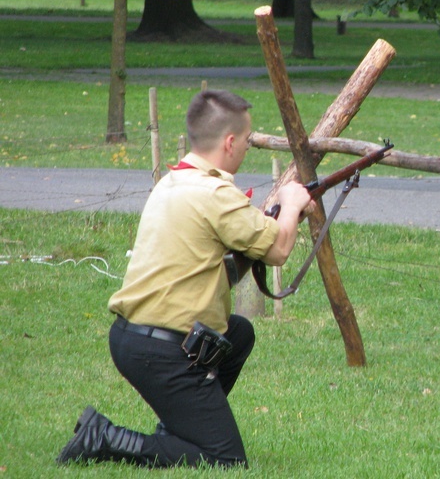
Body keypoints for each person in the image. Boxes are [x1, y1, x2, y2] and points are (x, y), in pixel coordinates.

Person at [56, 89, 314, 468]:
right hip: (162, 349)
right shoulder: (215, 194)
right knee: (224, 460)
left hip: (135, 337)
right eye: (246, 141)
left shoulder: (174, 182)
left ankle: (178, 430)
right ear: (229, 143)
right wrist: (292, 204)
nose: (247, 148)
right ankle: (106, 436)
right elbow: (276, 250)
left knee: (238, 333)